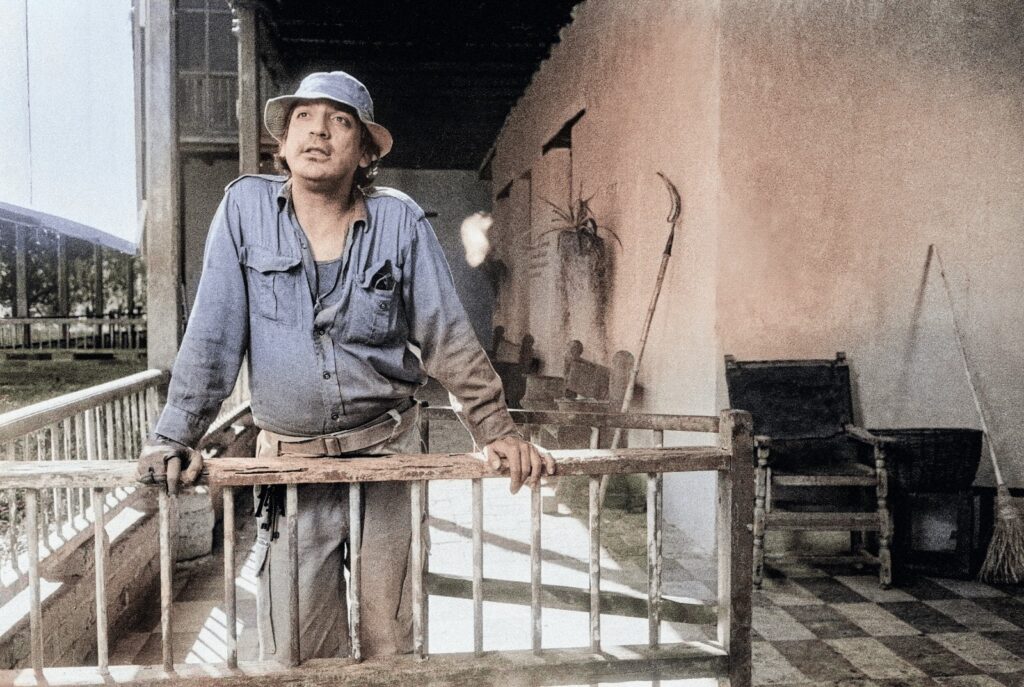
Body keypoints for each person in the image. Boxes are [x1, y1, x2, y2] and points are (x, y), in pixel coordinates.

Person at [137, 70, 553, 661]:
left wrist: (498, 430)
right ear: (281, 144)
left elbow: (445, 334)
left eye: (340, 121)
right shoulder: (243, 211)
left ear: (364, 153)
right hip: (291, 465)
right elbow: (212, 335)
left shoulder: (399, 220)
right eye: (303, 118)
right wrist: (173, 437)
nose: (319, 132)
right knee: (299, 652)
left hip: (388, 457)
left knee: (392, 641)